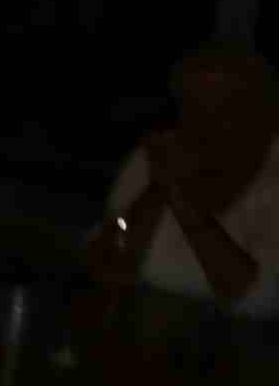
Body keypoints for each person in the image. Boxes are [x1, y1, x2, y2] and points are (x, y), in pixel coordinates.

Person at [86, 42, 279, 316]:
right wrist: (155, 191)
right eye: (193, 106)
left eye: (225, 106)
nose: (204, 123)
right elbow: (108, 254)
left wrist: (181, 198)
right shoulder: (154, 158)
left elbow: (257, 298)